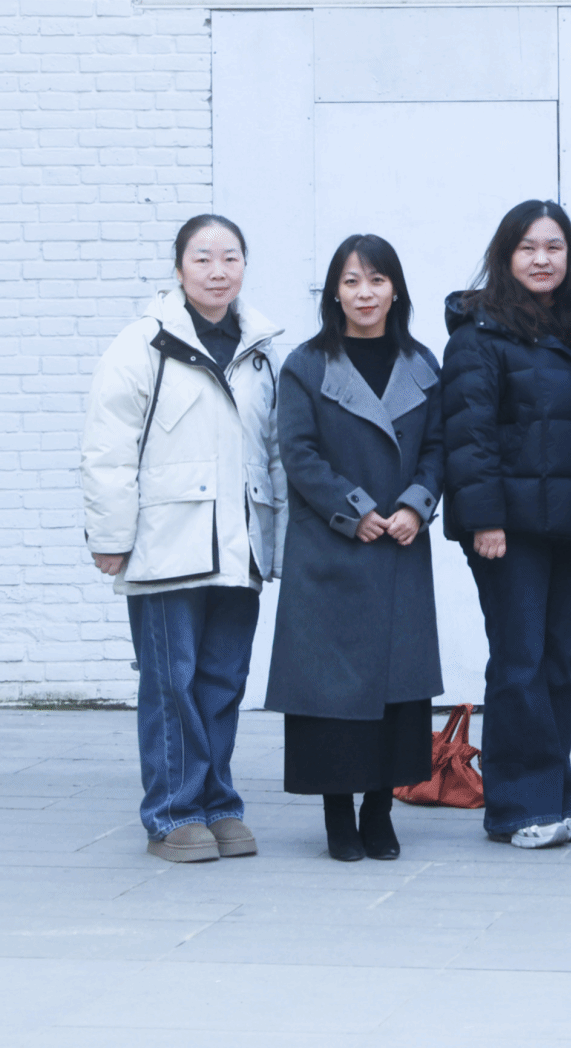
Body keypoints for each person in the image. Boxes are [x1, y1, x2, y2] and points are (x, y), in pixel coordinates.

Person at [81, 215, 285, 863]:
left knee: (224, 680)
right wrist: (111, 536)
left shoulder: (261, 350)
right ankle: (172, 812)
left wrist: (276, 542)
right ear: (178, 268)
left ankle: (217, 804)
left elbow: (274, 453)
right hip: (166, 543)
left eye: (230, 258)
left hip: (238, 546)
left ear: (244, 266)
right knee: (172, 682)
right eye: (202, 258)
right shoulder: (142, 344)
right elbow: (109, 450)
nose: (217, 271)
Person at [266, 235, 445, 863]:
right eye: (351, 281)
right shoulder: (306, 365)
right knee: (331, 693)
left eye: (376, 280)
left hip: (399, 546)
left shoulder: (422, 364)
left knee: (397, 691)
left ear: (396, 290)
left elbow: (439, 447)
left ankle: (380, 810)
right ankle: (338, 814)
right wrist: (355, 509)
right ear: (334, 293)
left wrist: (416, 504)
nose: (364, 293)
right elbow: (298, 453)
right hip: (332, 549)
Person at [442, 200, 571, 850]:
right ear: (506, 255)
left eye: (554, 247)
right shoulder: (478, 334)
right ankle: (517, 807)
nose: (542, 259)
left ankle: (557, 795)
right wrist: (484, 519)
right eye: (528, 247)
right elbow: (470, 436)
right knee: (519, 664)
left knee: (559, 666)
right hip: (508, 534)